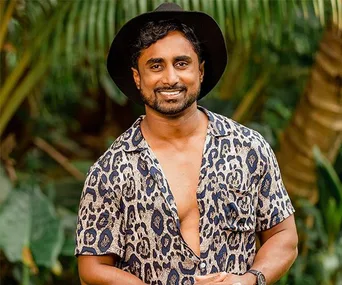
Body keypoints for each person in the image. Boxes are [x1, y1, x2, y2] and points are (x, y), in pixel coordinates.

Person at [75, 3, 298, 285]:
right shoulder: (110, 170)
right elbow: (92, 267)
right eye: (156, 66)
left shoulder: (248, 149)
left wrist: (248, 280)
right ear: (137, 77)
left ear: (200, 71)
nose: (170, 78)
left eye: (182, 63)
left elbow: (283, 236)